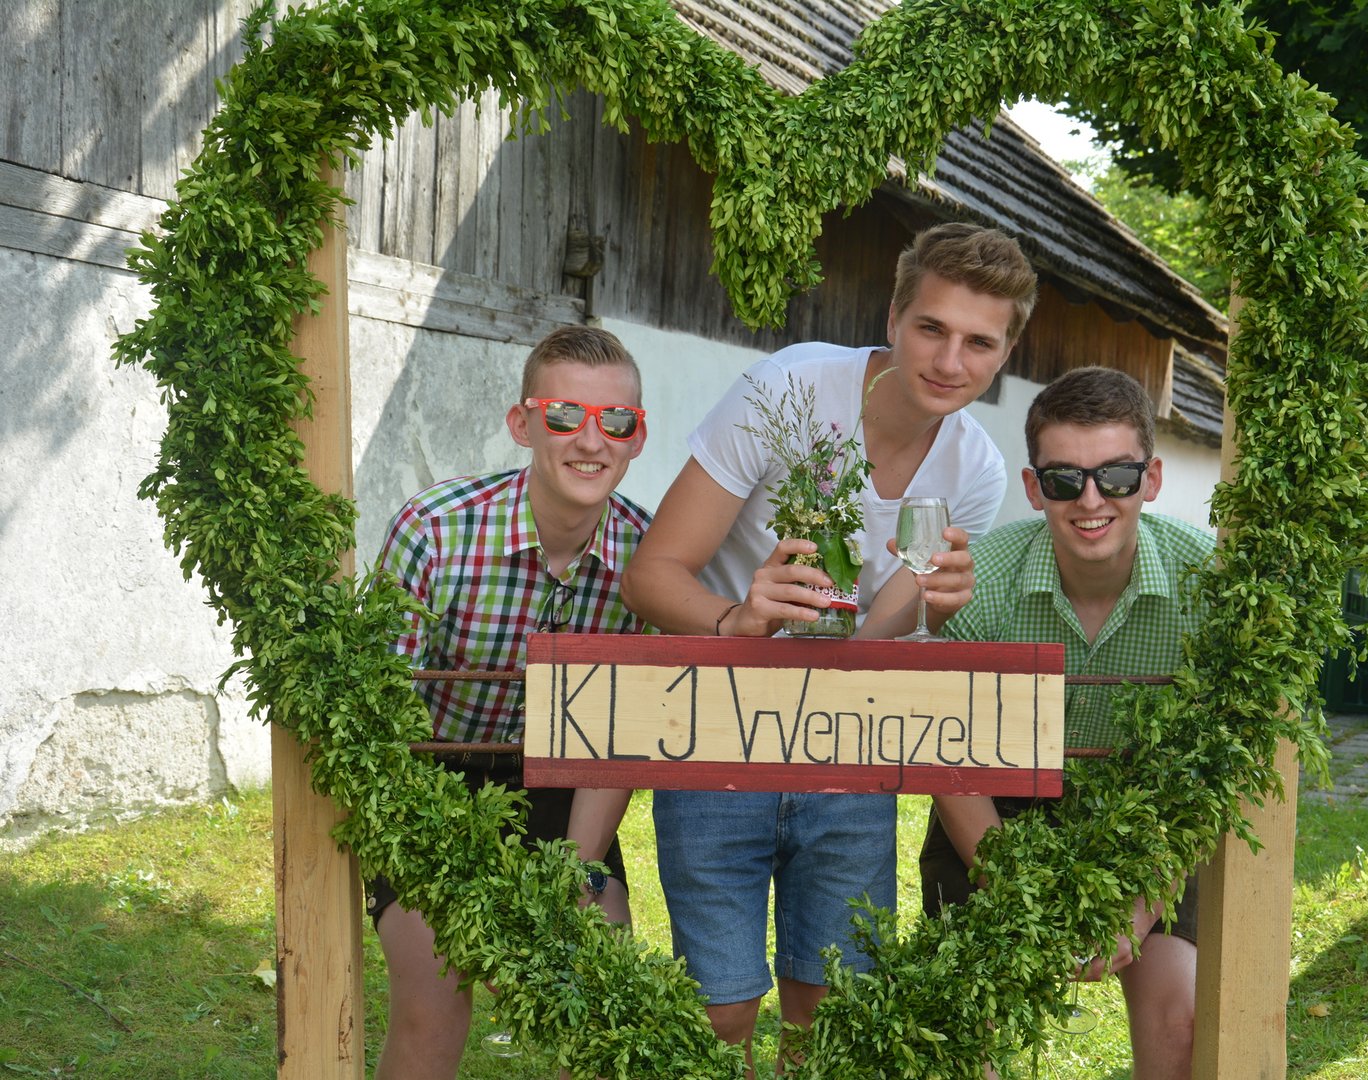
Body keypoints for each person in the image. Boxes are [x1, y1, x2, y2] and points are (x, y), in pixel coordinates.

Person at [620, 222, 1039, 1068]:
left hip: (847, 739)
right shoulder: (790, 389)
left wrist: (940, 609)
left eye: (979, 343)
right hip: (721, 723)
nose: (949, 360)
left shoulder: (974, 468)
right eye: (931, 328)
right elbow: (651, 575)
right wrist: (737, 620)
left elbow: (885, 628)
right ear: (893, 318)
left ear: (1005, 355)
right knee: (722, 1012)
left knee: (833, 1012)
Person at [369, 325, 651, 1080]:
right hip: (428, 782)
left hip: (563, 789)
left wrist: (574, 875)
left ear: (637, 437)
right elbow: (378, 718)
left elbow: (620, 738)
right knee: (435, 1002)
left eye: (615, 420)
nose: (589, 439)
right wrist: (433, 842)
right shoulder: (434, 530)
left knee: (601, 1002)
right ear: (523, 424)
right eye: (563, 415)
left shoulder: (647, 556)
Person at [920, 366, 1213, 1080]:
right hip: (1002, 806)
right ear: (1033, 488)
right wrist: (1011, 891)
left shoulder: (1210, 587)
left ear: (1151, 479)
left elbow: (1211, 768)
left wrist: (1141, 905)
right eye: (1063, 479)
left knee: (1182, 1023)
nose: (1091, 499)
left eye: (1116, 475)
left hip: (1153, 812)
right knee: (958, 1028)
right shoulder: (980, 583)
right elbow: (949, 765)